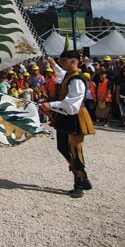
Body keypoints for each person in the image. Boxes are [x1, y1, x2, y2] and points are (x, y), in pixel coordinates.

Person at [41, 50, 96, 199]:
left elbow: (72, 104)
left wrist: (50, 104)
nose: (61, 63)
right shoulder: (69, 75)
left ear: (73, 61)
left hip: (75, 116)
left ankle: (79, 182)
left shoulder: (77, 80)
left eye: (64, 60)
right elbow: (60, 75)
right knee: (63, 147)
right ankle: (82, 178)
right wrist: (52, 63)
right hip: (65, 115)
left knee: (75, 150)